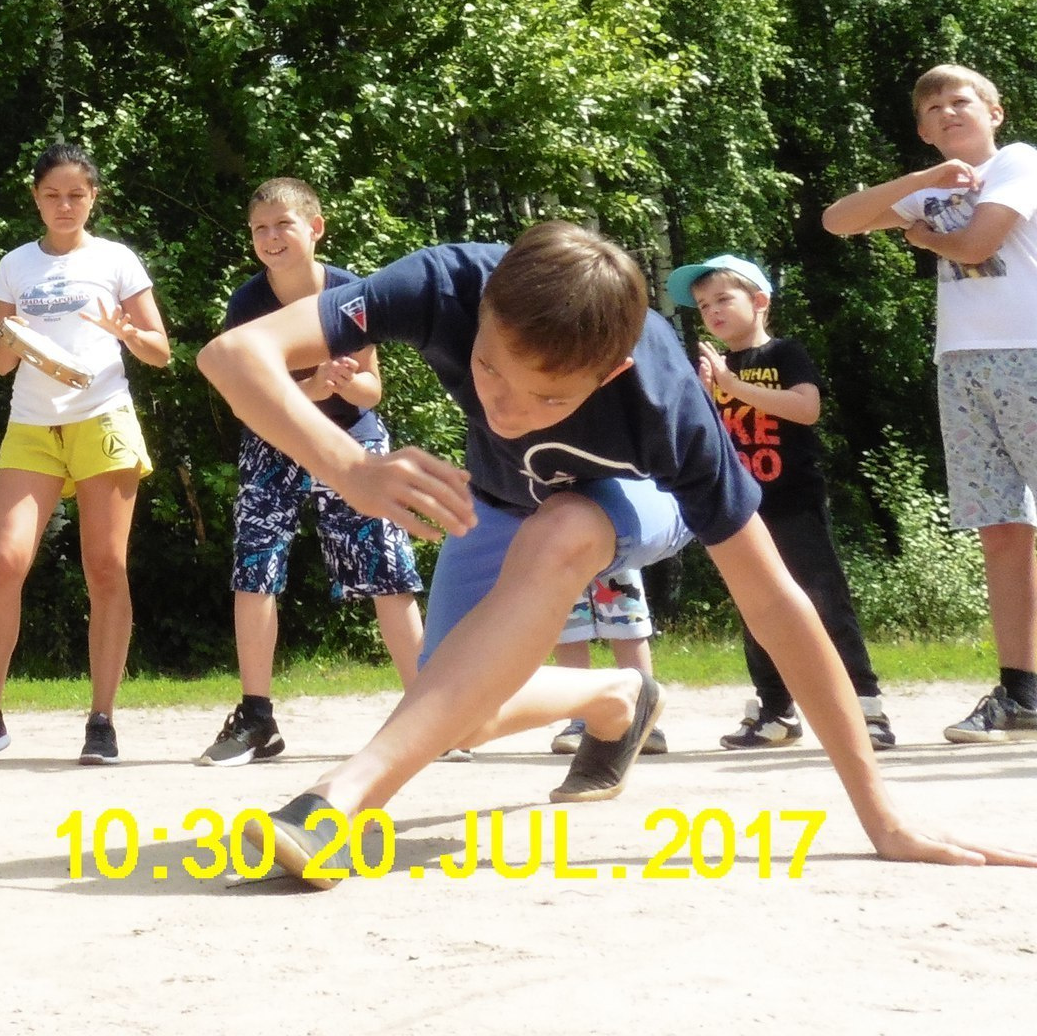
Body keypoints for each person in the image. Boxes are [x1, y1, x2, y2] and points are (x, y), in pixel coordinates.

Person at [197, 220, 1032, 884]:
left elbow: (776, 603)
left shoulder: (666, 404)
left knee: (564, 528)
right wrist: (350, 467)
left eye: (548, 396)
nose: (508, 408)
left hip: (636, 506)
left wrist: (882, 816)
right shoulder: (447, 283)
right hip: (500, 502)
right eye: (490, 370)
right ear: (483, 314)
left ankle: (336, 804)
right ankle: (617, 696)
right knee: (457, 709)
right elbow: (231, 356)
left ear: (610, 371)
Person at [824, 64, 1037, 744]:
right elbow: (837, 220)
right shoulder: (936, 184)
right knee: (1000, 527)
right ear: (922, 130)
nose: (948, 111)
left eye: (960, 100)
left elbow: (977, 244)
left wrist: (920, 235)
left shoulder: (1017, 162)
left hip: (1028, 350)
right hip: (961, 363)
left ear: (994, 111)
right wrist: (921, 183)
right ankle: (1023, 692)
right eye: (933, 108)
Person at [0, 143, 171, 767]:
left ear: (93, 197)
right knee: (5, 561)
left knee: (105, 567)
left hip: (102, 417)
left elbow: (160, 352)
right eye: (52, 194)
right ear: (35, 198)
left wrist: (128, 333)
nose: (65, 205)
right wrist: (18, 338)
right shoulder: (14, 265)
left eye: (76, 194)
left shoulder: (117, 259)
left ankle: (101, 721)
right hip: (32, 424)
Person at [199, 179, 426, 767]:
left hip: (352, 439)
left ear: (315, 228)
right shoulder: (247, 305)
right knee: (255, 569)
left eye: (283, 225)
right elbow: (243, 399)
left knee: (388, 570)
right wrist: (312, 388)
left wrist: (345, 384)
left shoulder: (352, 293)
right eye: (260, 228)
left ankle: (430, 714)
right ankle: (257, 720)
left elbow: (372, 388)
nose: (271, 237)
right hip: (274, 436)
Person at [670, 253, 894, 751]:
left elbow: (806, 409)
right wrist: (705, 396)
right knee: (756, 610)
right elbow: (700, 438)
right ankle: (775, 712)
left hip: (794, 503)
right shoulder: (711, 369)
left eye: (723, 299)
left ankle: (866, 708)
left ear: (759, 301)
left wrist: (732, 386)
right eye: (703, 305)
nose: (712, 311)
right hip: (740, 511)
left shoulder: (785, 354)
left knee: (824, 601)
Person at [545, 569, 667, 758]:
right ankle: (580, 720)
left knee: (627, 622)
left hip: (616, 554)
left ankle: (643, 721)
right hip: (558, 558)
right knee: (569, 627)